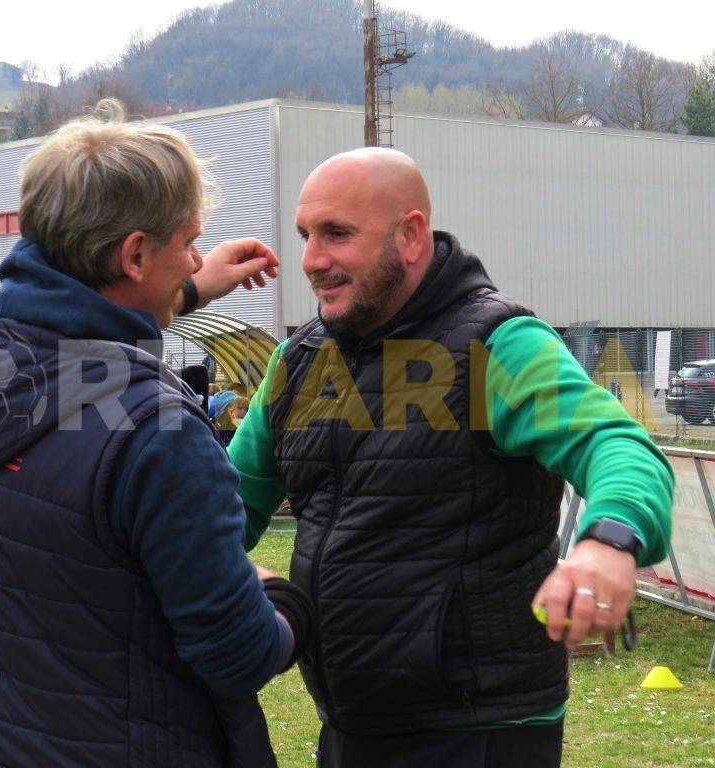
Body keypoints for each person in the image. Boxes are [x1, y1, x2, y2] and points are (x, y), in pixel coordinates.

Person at [228, 147, 674, 767]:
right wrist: (204, 564)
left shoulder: (498, 344)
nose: (311, 260)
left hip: (479, 728)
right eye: (304, 235)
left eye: (337, 234)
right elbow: (220, 503)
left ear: (410, 235)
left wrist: (609, 541)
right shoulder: (298, 360)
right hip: (350, 722)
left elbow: (619, 445)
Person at [0, 100, 314, 768]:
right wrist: (278, 596)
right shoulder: (160, 431)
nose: (195, 260)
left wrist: (186, 291)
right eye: (187, 244)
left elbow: (65, 340)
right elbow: (238, 653)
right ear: (133, 255)